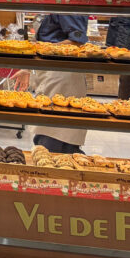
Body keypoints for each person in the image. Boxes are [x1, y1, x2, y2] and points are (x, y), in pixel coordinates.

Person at [29, 13, 89, 154]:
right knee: (48, 131)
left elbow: (77, 41)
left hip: (63, 75)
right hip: (52, 72)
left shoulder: (68, 4)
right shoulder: (54, 3)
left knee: (54, 139)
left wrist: (40, 50)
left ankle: (55, 173)